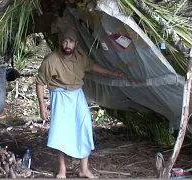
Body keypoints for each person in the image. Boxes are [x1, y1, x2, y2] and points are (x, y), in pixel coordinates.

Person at [35, 27, 125, 179]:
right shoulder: (51, 60)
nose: (68, 45)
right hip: (60, 96)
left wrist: (110, 73)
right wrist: (42, 106)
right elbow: (39, 82)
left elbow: (91, 66)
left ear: (75, 43)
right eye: (65, 41)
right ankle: (62, 170)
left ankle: (83, 169)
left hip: (77, 94)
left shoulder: (80, 57)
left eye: (71, 41)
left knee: (85, 127)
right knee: (61, 132)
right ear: (60, 43)